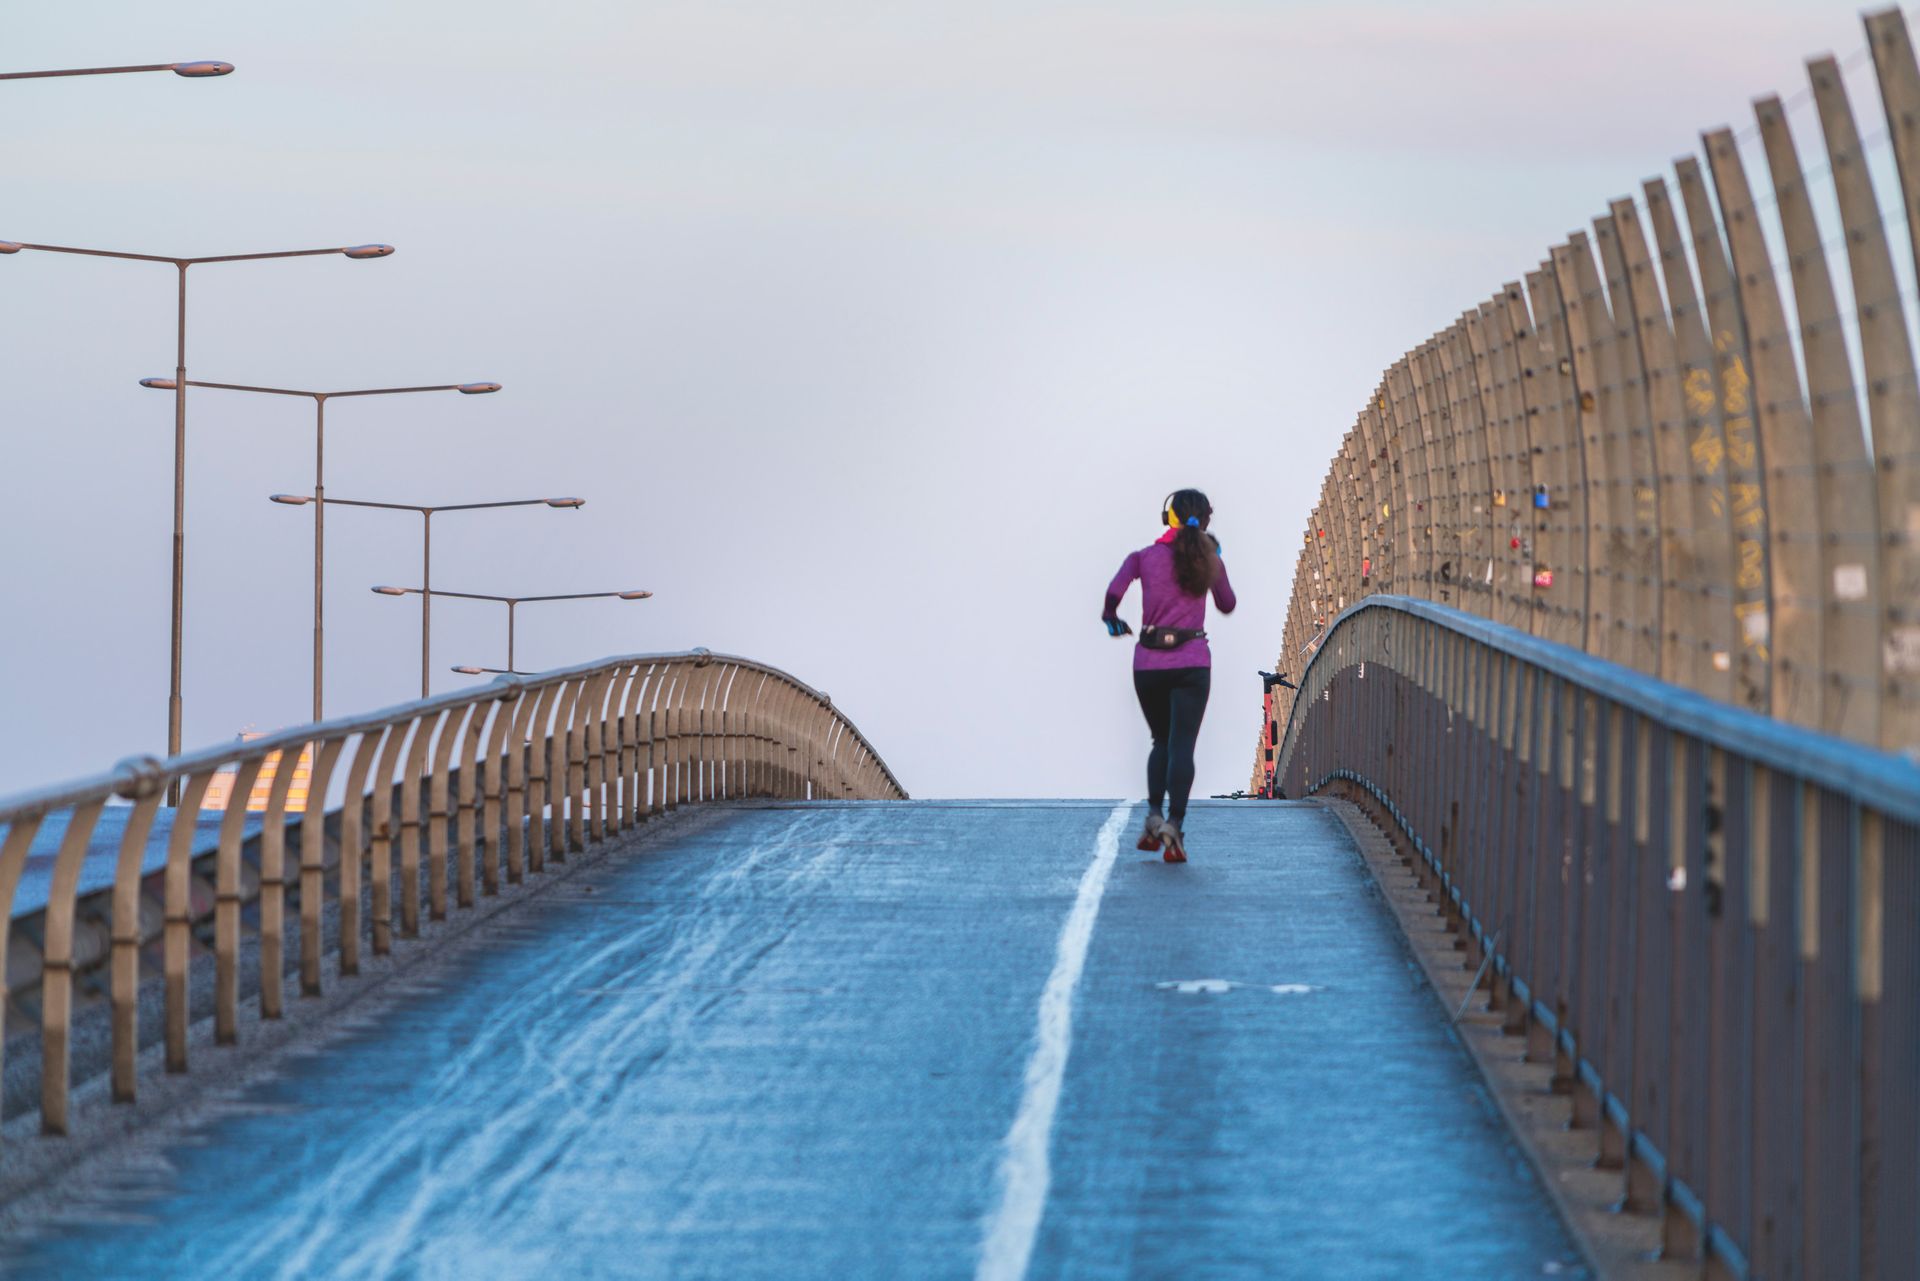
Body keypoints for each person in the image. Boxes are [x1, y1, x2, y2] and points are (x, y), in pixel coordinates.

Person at [1101, 489, 1236, 862]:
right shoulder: (1208, 559)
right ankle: (1175, 823)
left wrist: (1114, 619)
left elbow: (1113, 594)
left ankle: (1153, 817)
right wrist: (1215, 561)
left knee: (1160, 740)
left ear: (1168, 518)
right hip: (1192, 662)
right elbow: (1227, 604)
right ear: (1206, 519)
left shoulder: (1143, 557)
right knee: (1182, 745)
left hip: (1149, 663)